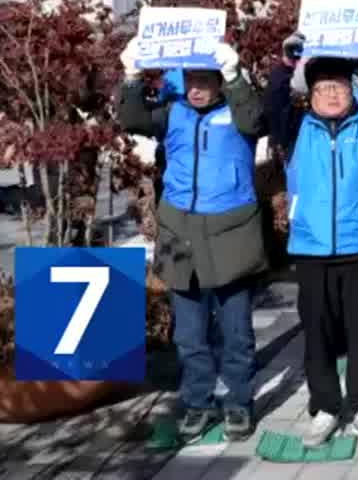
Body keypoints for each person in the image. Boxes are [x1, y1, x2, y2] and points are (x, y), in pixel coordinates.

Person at [117, 38, 263, 442]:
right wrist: (130, 78)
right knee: (189, 332)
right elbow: (131, 119)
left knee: (236, 330)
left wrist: (234, 76)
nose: (197, 88)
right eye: (191, 81)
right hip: (180, 229)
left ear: (219, 81)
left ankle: (238, 401)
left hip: (231, 228)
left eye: (205, 80)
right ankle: (198, 402)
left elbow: (255, 120)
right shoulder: (173, 111)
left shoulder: (237, 109)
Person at [264, 45, 358, 446]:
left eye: (339, 87)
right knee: (318, 332)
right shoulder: (295, 130)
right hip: (311, 249)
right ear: (309, 95)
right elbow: (273, 102)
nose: (331, 95)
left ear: (353, 92)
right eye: (323, 88)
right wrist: (286, 63)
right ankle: (325, 406)